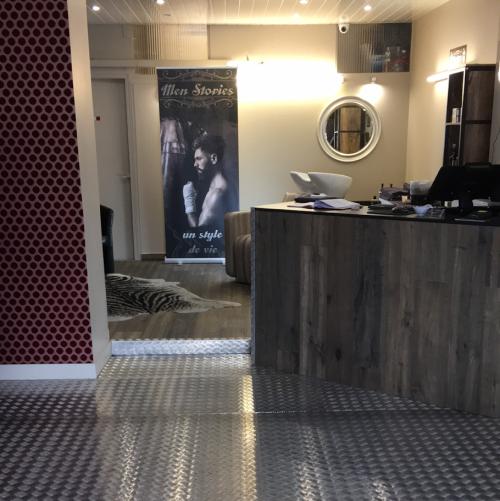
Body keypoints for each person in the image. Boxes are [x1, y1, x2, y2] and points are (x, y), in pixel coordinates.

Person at [183, 134, 228, 228]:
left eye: (199, 159)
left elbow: (199, 231)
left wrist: (189, 203)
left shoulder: (216, 194)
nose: (195, 164)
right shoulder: (215, 185)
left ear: (213, 158)